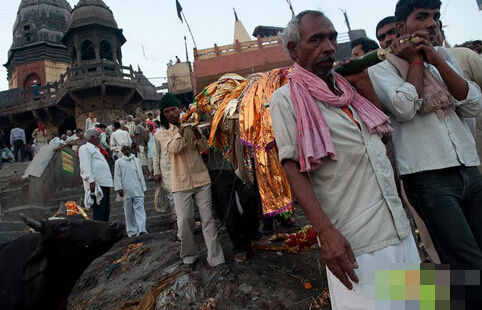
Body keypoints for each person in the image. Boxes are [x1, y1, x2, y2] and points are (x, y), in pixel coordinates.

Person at [271, 10, 419, 309]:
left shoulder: (348, 88)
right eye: (316, 39)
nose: (328, 46)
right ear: (293, 50)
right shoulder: (285, 99)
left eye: (332, 38)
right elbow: (292, 167)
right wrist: (325, 233)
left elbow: (382, 138)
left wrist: (365, 87)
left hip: (398, 228)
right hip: (356, 244)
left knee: (420, 302)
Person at [368, 0, 482, 269]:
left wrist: (437, 61)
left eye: (435, 16)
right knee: (466, 261)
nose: (431, 23)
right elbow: (405, 109)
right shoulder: (380, 68)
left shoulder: (445, 56)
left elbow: (473, 105)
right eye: (422, 17)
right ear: (401, 26)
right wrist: (415, 60)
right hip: (427, 176)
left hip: (467, 167)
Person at [158, 93, 227, 273]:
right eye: (167, 111)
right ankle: (188, 256)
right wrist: (182, 130)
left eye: (174, 109)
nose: (172, 113)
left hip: (201, 179)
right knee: (185, 221)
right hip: (180, 183)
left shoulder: (192, 125)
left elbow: (204, 149)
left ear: (180, 109)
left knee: (208, 220)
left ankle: (216, 258)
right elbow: (174, 148)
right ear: (163, 114)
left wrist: (196, 132)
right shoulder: (161, 133)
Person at [79, 129, 113, 221]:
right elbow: (85, 167)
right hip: (97, 185)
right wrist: (91, 182)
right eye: (99, 136)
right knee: (99, 212)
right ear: (93, 138)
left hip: (104, 183)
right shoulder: (85, 148)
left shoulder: (97, 149)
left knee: (105, 211)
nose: (100, 139)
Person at [114, 143, 148, 237]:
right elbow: (117, 176)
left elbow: (141, 175)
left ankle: (142, 229)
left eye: (128, 149)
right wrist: (119, 188)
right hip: (126, 190)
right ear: (122, 151)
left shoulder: (136, 160)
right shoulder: (118, 162)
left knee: (140, 210)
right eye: (125, 149)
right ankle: (132, 232)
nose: (127, 151)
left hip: (137, 188)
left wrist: (144, 187)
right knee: (128, 212)